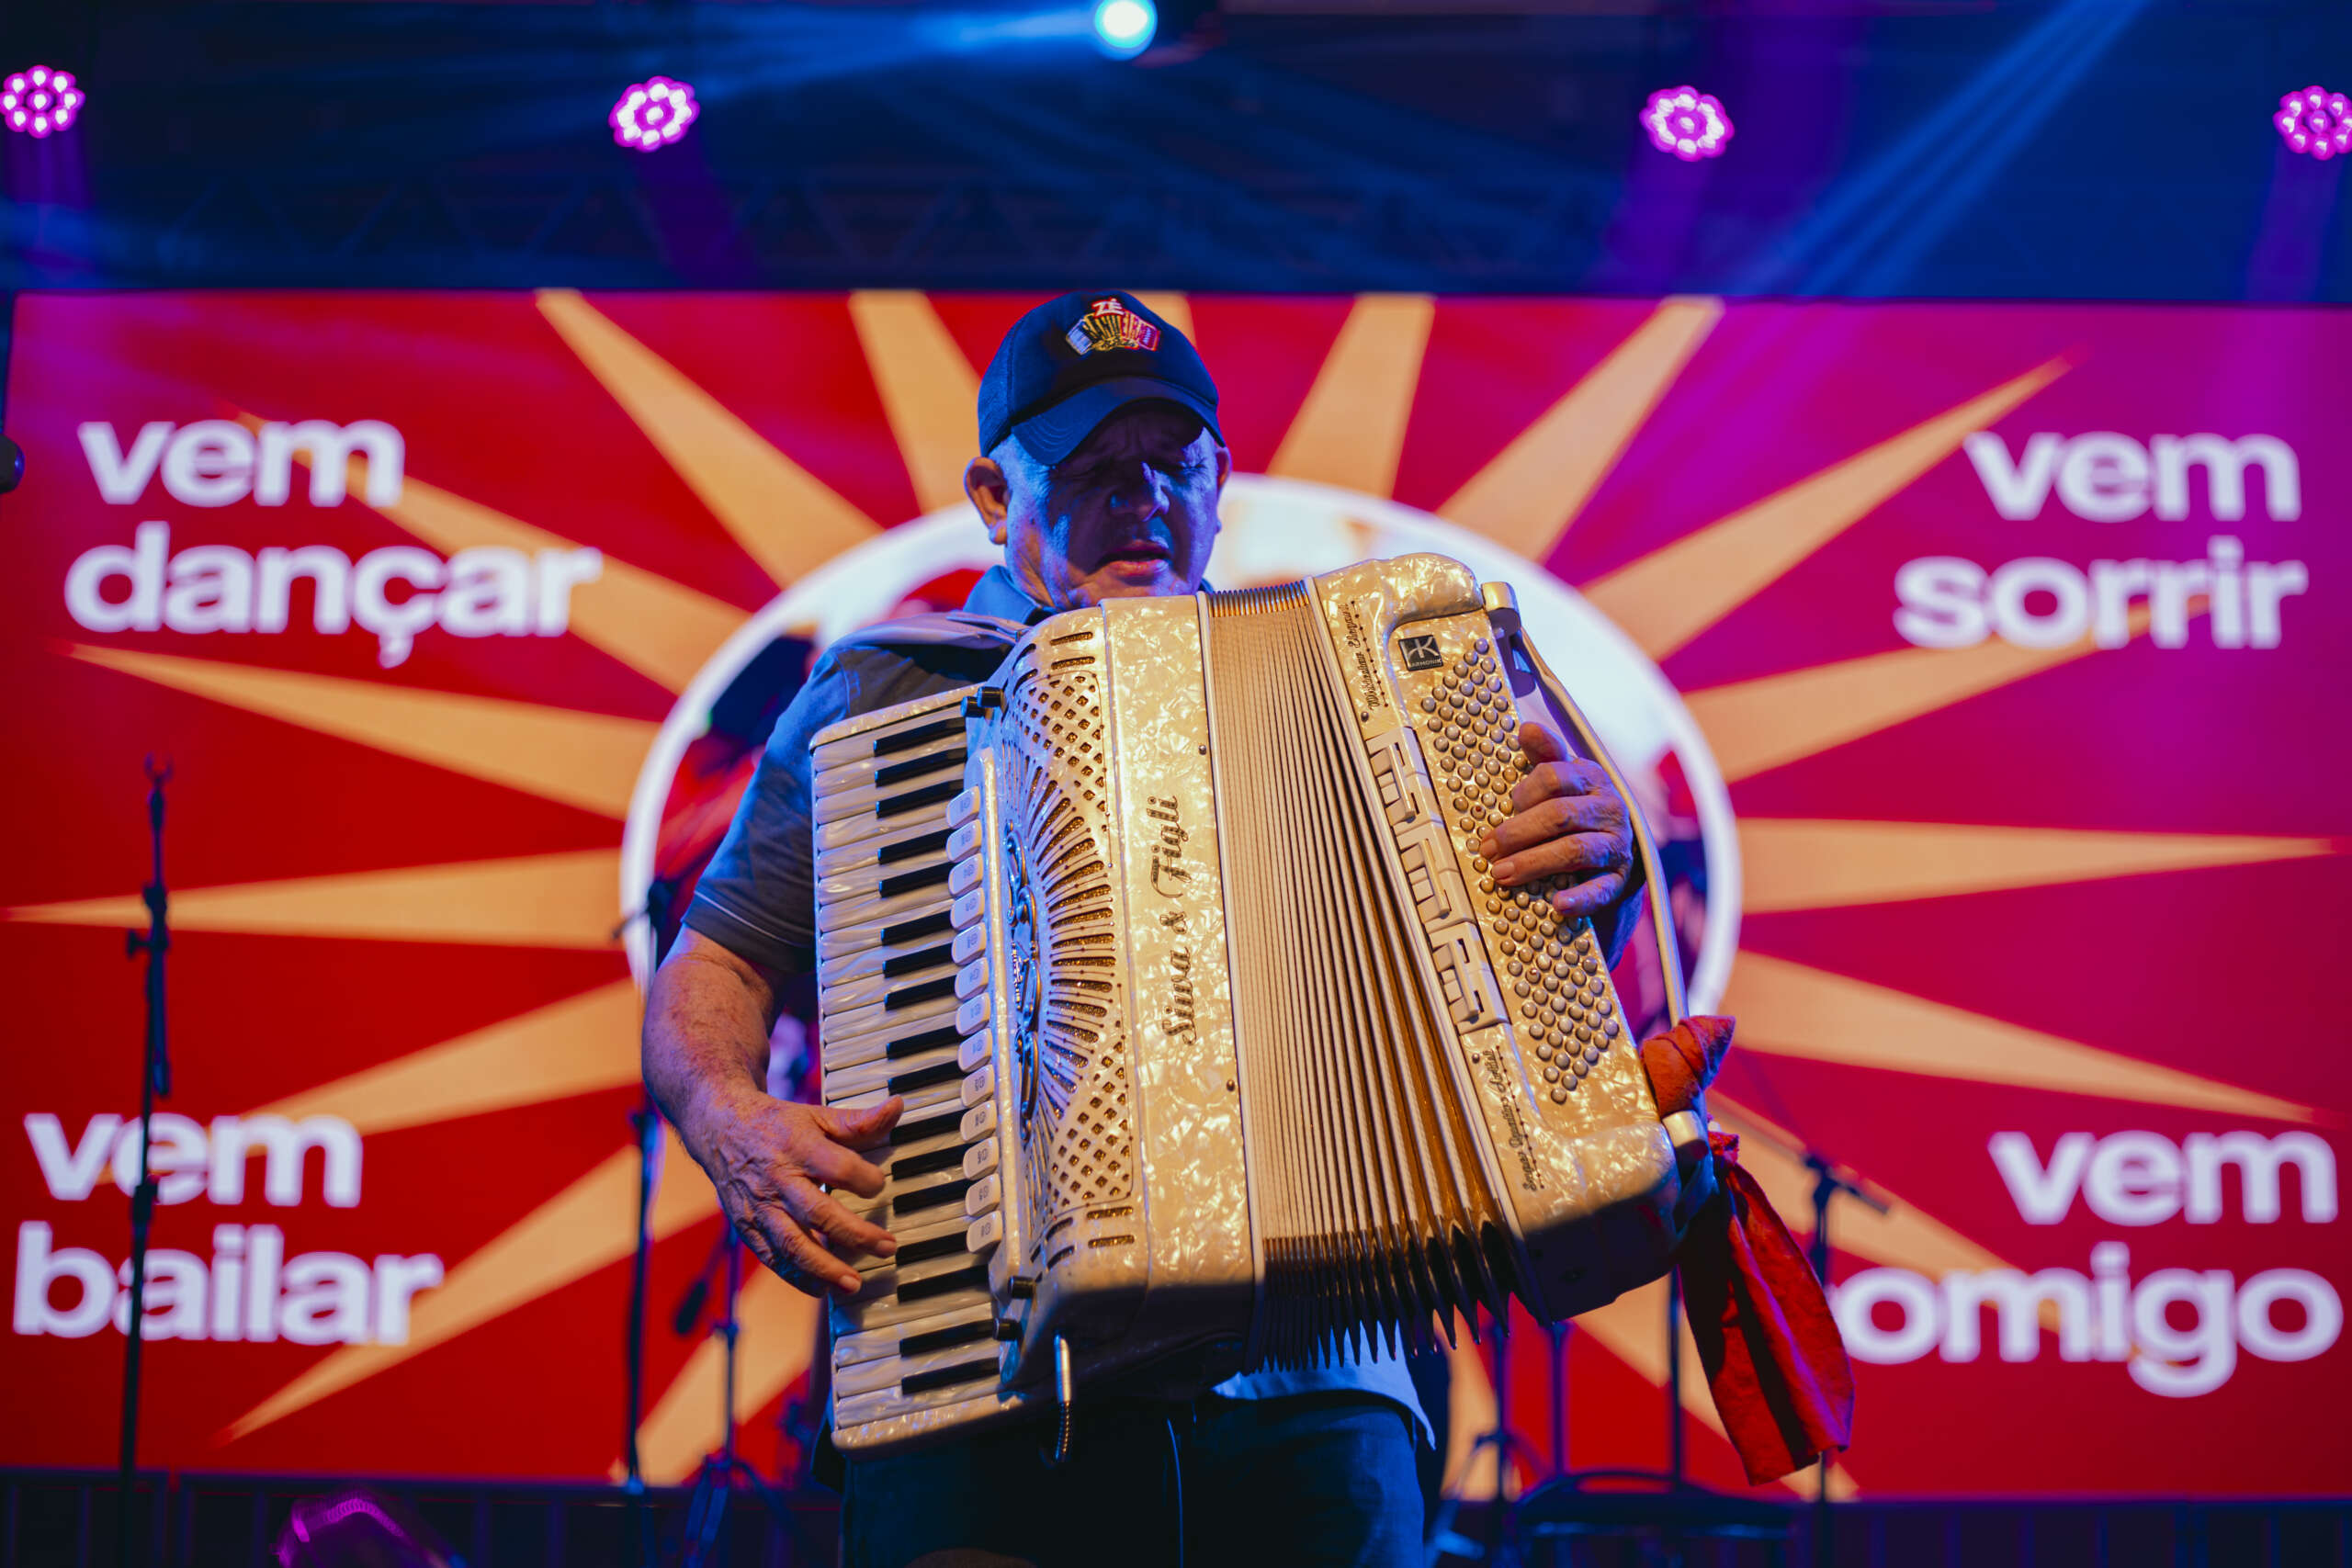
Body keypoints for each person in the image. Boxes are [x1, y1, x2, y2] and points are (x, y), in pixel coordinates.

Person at [641, 290, 1644, 1568]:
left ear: (1222, 482)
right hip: (985, 1377)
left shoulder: (1378, 688)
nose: (1141, 500)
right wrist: (731, 1122)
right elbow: (716, 960)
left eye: (1174, 464)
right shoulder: (885, 691)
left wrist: (1584, 876)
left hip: (1317, 1385)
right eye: (1090, 471)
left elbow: (1504, 998)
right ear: (995, 502)